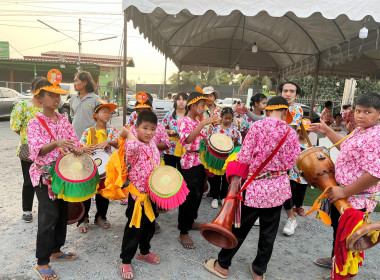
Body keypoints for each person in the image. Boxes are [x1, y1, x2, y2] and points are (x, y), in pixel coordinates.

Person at [204, 96, 300, 280]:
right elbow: (291, 163)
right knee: (268, 234)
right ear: (285, 112)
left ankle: (222, 265)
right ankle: (259, 271)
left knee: (239, 228)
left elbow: (244, 158)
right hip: (278, 190)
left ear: (267, 110)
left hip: (255, 188)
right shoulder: (291, 133)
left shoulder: (258, 127)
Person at [310, 92, 380, 280]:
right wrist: (326, 129)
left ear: (379, 114)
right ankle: (336, 259)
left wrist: (344, 191)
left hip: (355, 199)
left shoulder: (375, 136)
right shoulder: (360, 131)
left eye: (368, 112)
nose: (360, 115)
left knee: (350, 240)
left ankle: (342, 274)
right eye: (358, 111)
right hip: (344, 194)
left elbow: (374, 174)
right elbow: (345, 147)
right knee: (339, 233)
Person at [28, 77, 83, 280]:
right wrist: (57, 142)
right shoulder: (34, 123)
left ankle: (56, 250)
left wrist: (78, 148)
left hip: (64, 175)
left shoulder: (63, 119)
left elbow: (74, 142)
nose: (56, 99)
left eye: (58, 95)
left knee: (61, 214)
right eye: (51, 95)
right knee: (48, 217)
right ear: (40, 99)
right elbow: (36, 151)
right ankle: (42, 262)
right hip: (44, 177)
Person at [118, 111, 161, 280]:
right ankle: (125, 260)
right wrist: (128, 132)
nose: (149, 132)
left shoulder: (152, 145)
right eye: (144, 128)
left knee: (149, 226)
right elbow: (132, 145)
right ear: (136, 128)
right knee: (134, 229)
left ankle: (144, 252)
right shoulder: (133, 146)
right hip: (137, 198)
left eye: (152, 129)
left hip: (151, 196)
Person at [178, 91, 217, 249]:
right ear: (192, 106)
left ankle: (191, 220)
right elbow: (187, 140)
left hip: (200, 161)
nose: (203, 108)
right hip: (189, 162)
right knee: (188, 197)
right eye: (201, 106)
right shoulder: (185, 121)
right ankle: (183, 231)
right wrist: (203, 123)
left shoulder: (196, 121)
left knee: (198, 193)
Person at [77, 102, 119, 233]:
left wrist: (109, 141)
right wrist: (85, 149)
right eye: (104, 112)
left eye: (109, 112)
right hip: (90, 166)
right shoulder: (89, 131)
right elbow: (80, 147)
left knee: (103, 193)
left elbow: (119, 144)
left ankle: (100, 217)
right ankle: (83, 219)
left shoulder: (111, 130)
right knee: (86, 193)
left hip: (106, 167)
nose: (107, 114)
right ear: (95, 115)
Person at [10, 77, 43, 222]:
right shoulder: (23, 106)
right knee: (28, 181)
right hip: (26, 148)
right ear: (32, 90)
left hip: (46, 150)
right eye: (39, 90)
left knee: (45, 179)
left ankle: (45, 207)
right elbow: (16, 127)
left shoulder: (47, 108)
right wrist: (26, 138)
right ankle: (27, 210)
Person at [280, 81, 303, 235]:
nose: (288, 94)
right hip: (270, 153)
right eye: (285, 90)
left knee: (284, 185)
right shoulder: (274, 106)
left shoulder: (296, 109)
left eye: (291, 91)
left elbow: (288, 129)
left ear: (296, 95)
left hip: (286, 154)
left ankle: (291, 218)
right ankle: (264, 214)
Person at [207, 107, 241, 209]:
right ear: (221, 117)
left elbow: (238, 143)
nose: (227, 120)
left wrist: (235, 141)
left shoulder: (234, 130)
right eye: (226, 118)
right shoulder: (215, 128)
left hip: (228, 158)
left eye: (230, 119)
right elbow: (210, 139)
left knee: (226, 178)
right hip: (217, 157)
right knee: (216, 178)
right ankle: (214, 197)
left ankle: (223, 197)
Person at [287, 118, 312, 218]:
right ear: (298, 130)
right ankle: (291, 207)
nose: (304, 133)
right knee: (293, 189)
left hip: (304, 170)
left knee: (302, 190)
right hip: (293, 170)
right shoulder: (294, 140)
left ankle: (299, 206)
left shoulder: (309, 142)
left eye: (307, 131)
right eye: (302, 130)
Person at [70, 71, 101, 138]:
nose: (74, 84)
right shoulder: (73, 98)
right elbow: (72, 117)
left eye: (76, 81)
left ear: (84, 83)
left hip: (90, 139)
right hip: (75, 137)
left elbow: (101, 122)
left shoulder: (96, 99)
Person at [162, 92, 188, 170]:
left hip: (184, 149)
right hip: (170, 149)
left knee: (182, 173)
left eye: (184, 100)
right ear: (175, 101)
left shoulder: (190, 116)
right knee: (169, 173)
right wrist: (169, 132)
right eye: (179, 99)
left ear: (187, 102)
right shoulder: (169, 115)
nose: (181, 101)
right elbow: (162, 129)